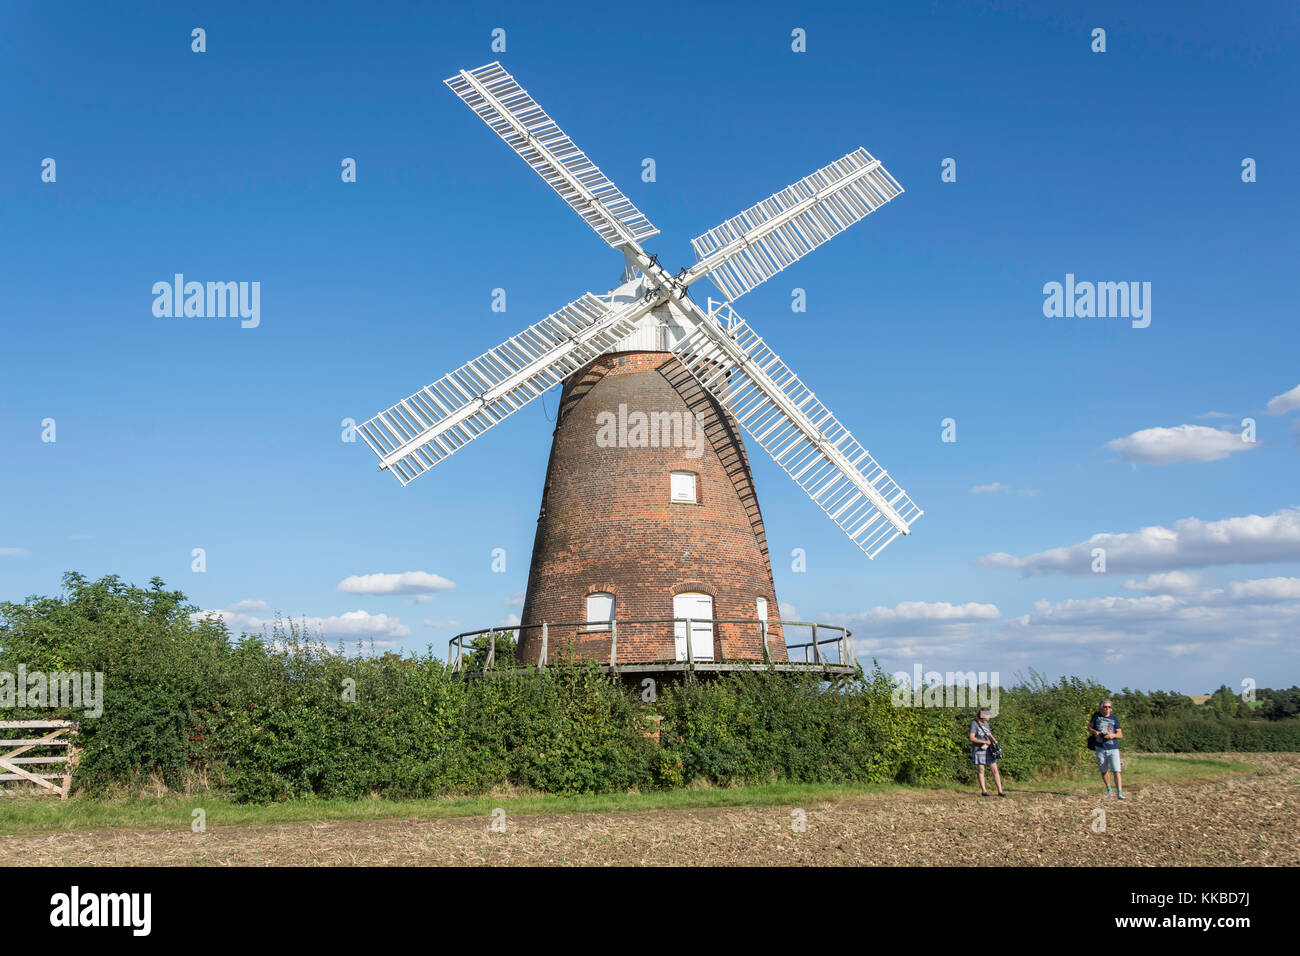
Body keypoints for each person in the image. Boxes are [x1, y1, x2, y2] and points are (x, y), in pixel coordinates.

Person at [1089, 698, 1124, 799]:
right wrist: (1095, 732)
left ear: (1111, 709)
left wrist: (1112, 736)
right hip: (1100, 747)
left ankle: (1120, 793)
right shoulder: (1096, 716)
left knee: (1116, 770)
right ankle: (1109, 790)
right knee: (1103, 770)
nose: (1107, 709)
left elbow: (1120, 734)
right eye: (1105, 707)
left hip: (1113, 748)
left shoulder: (1114, 719)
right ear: (1101, 707)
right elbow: (1089, 727)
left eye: (1109, 707)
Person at [969, 707, 1005, 797]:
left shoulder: (986, 724)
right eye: (988, 714)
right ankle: (984, 791)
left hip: (988, 749)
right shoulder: (974, 724)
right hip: (979, 749)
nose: (989, 716)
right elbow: (972, 738)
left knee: (995, 769)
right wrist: (984, 742)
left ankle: (1000, 791)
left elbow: (989, 734)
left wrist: (994, 740)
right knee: (981, 770)